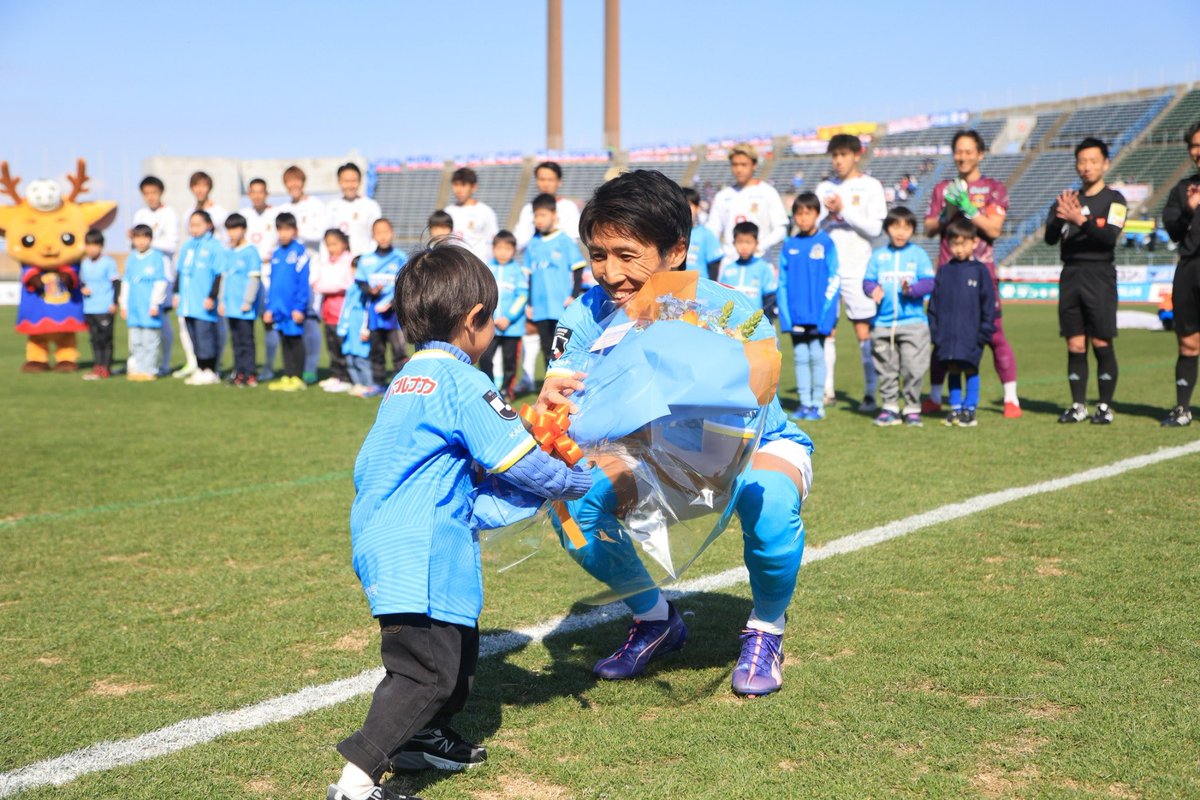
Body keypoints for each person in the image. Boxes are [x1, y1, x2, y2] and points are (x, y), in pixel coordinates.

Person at [327, 243, 592, 800]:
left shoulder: (406, 379)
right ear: (473, 318)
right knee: (425, 671)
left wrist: (535, 497)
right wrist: (581, 480)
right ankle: (354, 780)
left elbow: (476, 488)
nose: (494, 327)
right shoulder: (463, 381)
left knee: (457, 653)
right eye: (492, 318)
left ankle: (422, 738)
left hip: (397, 535)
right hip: (418, 544)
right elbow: (515, 458)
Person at [540, 170, 813, 698]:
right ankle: (655, 618)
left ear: (676, 251)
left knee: (770, 499)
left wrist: (683, 354)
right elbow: (567, 396)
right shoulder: (584, 314)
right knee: (571, 508)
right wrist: (556, 401)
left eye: (627, 254)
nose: (609, 272)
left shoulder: (726, 307)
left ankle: (766, 629)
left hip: (749, 447)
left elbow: (759, 387)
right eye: (598, 254)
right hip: (656, 459)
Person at [924, 129, 1021, 418]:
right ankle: (933, 397)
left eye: (969, 151)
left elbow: (993, 229)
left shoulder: (994, 189)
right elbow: (929, 229)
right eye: (958, 151)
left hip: (982, 273)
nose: (963, 156)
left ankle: (1011, 398)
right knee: (942, 335)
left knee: (995, 335)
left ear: (980, 154)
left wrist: (968, 209)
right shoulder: (942, 189)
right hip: (947, 273)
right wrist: (948, 211)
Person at [1045, 138, 1126, 425]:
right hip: (1071, 275)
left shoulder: (1115, 200)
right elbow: (1050, 239)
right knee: (1075, 344)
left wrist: (1080, 219)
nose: (1087, 166)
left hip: (1100, 274)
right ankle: (1078, 405)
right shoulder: (1067, 199)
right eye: (1082, 161)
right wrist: (1059, 217)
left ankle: (1104, 406)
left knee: (1101, 340)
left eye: (1093, 161)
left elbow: (1107, 239)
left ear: (1105, 163)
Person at [816, 133, 888, 413]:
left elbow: (874, 229)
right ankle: (827, 390)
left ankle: (870, 393)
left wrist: (844, 211)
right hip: (828, 271)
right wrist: (827, 215)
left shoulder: (870, 186)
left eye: (843, 155)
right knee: (827, 331)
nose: (838, 161)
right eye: (834, 156)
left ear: (856, 155)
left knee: (863, 332)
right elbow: (812, 226)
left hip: (859, 269)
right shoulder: (824, 187)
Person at [862, 206, 935, 427]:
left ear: (913, 230)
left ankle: (912, 407)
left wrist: (911, 290)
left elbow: (929, 282)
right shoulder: (878, 256)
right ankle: (890, 407)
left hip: (913, 323)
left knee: (914, 367)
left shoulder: (918, 254)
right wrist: (872, 289)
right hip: (883, 324)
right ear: (887, 229)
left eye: (907, 227)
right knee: (886, 368)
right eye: (895, 226)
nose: (901, 232)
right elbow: (867, 281)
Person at [928, 218, 996, 428]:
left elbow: (988, 305)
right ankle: (955, 408)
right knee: (953, 369)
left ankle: (970, 408)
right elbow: (934, 305)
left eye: (963, 243)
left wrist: (983, 333)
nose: (958, 249)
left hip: (971, 335)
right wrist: (936, 333)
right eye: (954, 244)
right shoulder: (944, 271)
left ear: (974, 243)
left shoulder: (980, 271)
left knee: (970, 369)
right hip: (947, 335)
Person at [778, 192, 839, 420]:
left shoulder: (825, 242)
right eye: (799, 214)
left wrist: (827, 315)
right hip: (796, 315)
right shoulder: (789, 245)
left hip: (818, 314)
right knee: (800, 356)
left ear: (817, 214)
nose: (803, 218)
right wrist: (785, 315)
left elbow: (834, 278)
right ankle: (804, 403)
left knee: (816, 355)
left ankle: (817, 403)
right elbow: (782, 283)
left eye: (808, 213)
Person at [1159, 121, 1200, 427]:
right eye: (1193, 146)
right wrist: (1188, 209)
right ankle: (1182, 409)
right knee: (1187, 343)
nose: (1197, 152)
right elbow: (1173, 233)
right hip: (1189, 269)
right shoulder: (1181, 189)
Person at [278, 164, 328, 383]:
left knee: (310, 321)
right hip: (291, 275)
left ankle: (310, 367)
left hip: (312, 270)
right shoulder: (285, 207)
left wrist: (297, 234)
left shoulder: (315, 205)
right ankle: (293, 369)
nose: (293, 185)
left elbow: (320, 234)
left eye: (296, 180)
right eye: (289, 181)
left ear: (303, 182)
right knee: (291, 323)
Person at [525, 193, 586, 369]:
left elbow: (578, 268)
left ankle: (565, 384)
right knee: (546, 348)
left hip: (560, 305)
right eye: (536, 216)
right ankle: (548, 385)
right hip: (540, 307)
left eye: (543, 215)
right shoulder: (532, 244)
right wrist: (530, 303)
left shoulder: (564, 240)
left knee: (561, 348)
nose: (539, 220)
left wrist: (573, 295)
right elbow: (529, 276)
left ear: (554, 215)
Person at [705, 143, 789, 265]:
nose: (739, 169)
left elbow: (781, 229)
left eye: (744, 164)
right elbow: (712, 231)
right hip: (730, 264)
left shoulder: (767, 192)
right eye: (735, 165)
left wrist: (760, 246)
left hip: (759, 262)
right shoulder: (722, 196)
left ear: (754, 165)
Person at [132, 176, 180, 377]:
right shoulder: (140, 214)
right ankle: (136, 362)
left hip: (162, 275)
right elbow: (134, 244)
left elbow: (171, 243)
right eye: (146, 193)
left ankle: (164, 361)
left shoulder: (169, 214)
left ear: (160, 192)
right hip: (140, 277)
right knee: (138, 322)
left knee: (160, 319)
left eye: (154, 192)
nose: (150, 197)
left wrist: (150, 242)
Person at [354, 219, 409, 396]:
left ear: (392, 233)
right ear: (373, 236)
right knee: (377, 349)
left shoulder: (400, 257)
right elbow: (361, 282)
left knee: (399, 349)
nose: (383, 236)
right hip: (375, 313)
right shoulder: (366, 260)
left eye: (386, 231)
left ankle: (399, 384)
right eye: (379, 232)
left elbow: (405, 284)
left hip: (394, 314)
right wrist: (371, 291)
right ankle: (378, 383)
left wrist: (392, 303)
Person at [176, 210, 224, 386]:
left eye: (198, 224)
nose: (194, 228)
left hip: (203, 301)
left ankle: (210, 369)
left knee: (205, 336)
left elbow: (219, 273)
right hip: (187, 302)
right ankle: (200, 368)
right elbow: (179, 272)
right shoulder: (187, 246)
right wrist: (176, 294)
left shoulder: (215, 246)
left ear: (209, 225)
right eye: (192, 224)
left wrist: (212, 296)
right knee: (193, 336)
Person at [264, 212, 310, 392]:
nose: (283, 233)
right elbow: (273, 283)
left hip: (293, 309)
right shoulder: (276, 253)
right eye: (280, 229)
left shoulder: (300, 253)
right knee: (284, 341)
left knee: (295, 341)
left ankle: (297, 377)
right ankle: (287, 375)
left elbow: (302, 283)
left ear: (295, 231)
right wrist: (269, 308)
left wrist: (299, 307)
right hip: (279, 308)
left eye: (287, 229)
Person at [480, 230, 526, 399]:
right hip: (489, 326)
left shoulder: (517, 271)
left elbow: (522, 296)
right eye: (499, 248)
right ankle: (490, 389)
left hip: (511, 327)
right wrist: (488, 317)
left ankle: (507, 390)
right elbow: (482, 294)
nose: (503, 252)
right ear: (493, 249)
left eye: (507, 249)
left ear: (514, 250)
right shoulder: (486, 269)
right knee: (485, 358)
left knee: (510, 362)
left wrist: (509, 317)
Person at [119, 224, 169, 381]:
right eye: (137, 237)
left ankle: (150, 369)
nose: (141, 241)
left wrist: (155, 303)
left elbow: (160, 282)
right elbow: (126, 282)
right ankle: (138, 369)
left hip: (148, 308)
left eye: (144, 237)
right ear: (133, 239)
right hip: (134, 308)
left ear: (150, 239)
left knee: (150, 340)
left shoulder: (156, 257)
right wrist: (124, 304)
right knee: (136, 341)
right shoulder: (132, 257)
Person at [220, 213, 263, 387]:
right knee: (236, 341)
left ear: (243, 229)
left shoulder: (251, 252)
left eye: (236, 228)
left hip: (244, 306)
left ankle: (250, 373)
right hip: (230, 306)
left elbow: (254, 279)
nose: (232, 233)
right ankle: (238, 373)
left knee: (246, 341)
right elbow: (225, 277)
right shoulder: (228, 251)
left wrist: (248, 301)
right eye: (229, 229)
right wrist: (222, 301)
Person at [312, 229, 356, 393]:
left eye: (334, 244)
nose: (331, 248)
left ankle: (347, 377)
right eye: (328, 245)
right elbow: (316, 284)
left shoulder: (349, 261)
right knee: (332, 345)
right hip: (328, 311)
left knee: (343, 345)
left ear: (344, 243)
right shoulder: (327, 262)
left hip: (343, 312)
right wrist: (327, 286)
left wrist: (327, 286)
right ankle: (336, 374)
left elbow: (345, 284)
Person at [79, 230, 120, 380]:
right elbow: (82, 282)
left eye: (95, 245)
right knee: (94, 338)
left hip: (104, 306)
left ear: (101, 246)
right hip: (90, 307)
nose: (92, 249)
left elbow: (116, 283)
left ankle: (106, 366)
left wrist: (114, 303)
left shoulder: (108, 262)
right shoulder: (84, 263)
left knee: (106, 338)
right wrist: (83, 288)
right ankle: (97, 366)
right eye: (89, 245)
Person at [515, 161, 581, 249]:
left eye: (550, 180)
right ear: (536, 181)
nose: (546, 184)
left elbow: (573, 239)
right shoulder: (528, 209)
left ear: (559, 182)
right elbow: (519, 242)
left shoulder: (569, 207)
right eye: (542, 179)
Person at [718, 221, 777, 317]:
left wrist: (764, 319)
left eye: (748, 242)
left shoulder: (763, 268)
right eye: (740, 242)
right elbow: (721, 296)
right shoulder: (728, 269)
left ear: (756, 243)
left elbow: (770, 298)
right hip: (731, 324)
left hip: (754, 324)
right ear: (734, 243)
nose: (744, 247)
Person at [326, 162, 381, 256]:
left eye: (354, 181)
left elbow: (377, 236)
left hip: (363, 263)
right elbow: (326, 238)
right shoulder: (331, 207)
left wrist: (366, 258)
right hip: (340, 263)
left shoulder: (371, 206)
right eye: (346, 181)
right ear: (339, 182)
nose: (350, 185)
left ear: (359, 181)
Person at [445, 167, 499, 262]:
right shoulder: (447, 212)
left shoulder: (485, 211)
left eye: (463, 185)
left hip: (478, 266)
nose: (459, 190)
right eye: (456, 185)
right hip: (455, 266)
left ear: (473, 187)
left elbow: (493, 241)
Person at [337, 267, 373, 397]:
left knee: (362, 360)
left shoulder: (366, 290)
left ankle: (368, 386)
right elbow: (345, 308)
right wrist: (342, 327)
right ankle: (357, 384)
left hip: (359, 330)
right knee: (350, 358)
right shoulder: (351, 288)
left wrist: (365, 329)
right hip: (349, 330)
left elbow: (368, 311)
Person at [682, 187, 724, 279]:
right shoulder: (671, 234)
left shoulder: (706, 234)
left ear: (697, 208)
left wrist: (712, 287)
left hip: (699, 288)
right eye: (681, 206)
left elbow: (714, 264)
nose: (685, 210)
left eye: (689, 205)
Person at [188, 171, 229, 245]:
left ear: (210, 188)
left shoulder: (220, 213)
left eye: (204, 186)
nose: (200, 190)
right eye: (196, 185)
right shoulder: (188, 213)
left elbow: (226, 239)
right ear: (191, 188)